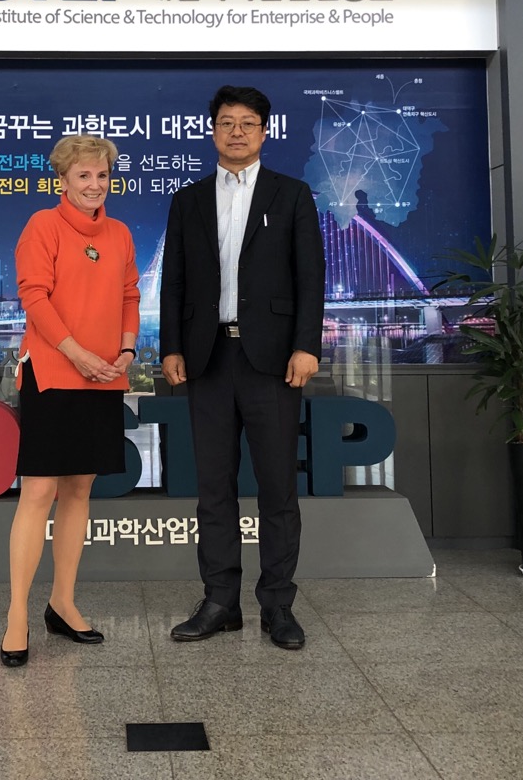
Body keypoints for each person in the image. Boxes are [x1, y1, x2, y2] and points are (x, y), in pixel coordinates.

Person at [159, 85, 325, 650]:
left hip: (273, 360)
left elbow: (310, 277)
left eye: (247, 123)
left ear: (263, 132)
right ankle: (220, 601)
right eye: (226, 122)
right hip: (207, 357)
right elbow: (174, 281)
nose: (236, 131)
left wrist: (306, 345)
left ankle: (278, 605)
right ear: (213, 131)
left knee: (277, 488)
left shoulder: (292, 194)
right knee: (213, 488)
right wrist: (172, 345)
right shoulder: (187, 200)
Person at [1, 135, 140, 668]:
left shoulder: (120, 233)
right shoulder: (42, 225)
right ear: (63, 180)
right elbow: (33, 296)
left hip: (103, 374)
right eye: (84, 175)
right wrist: (76, 353)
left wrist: (127, 350)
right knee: (39, 490)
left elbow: (130, 295)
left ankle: (62, 602)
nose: (94, 185)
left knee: (80, 489)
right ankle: (17, 615)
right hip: (54, 371)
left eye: (102, 175)